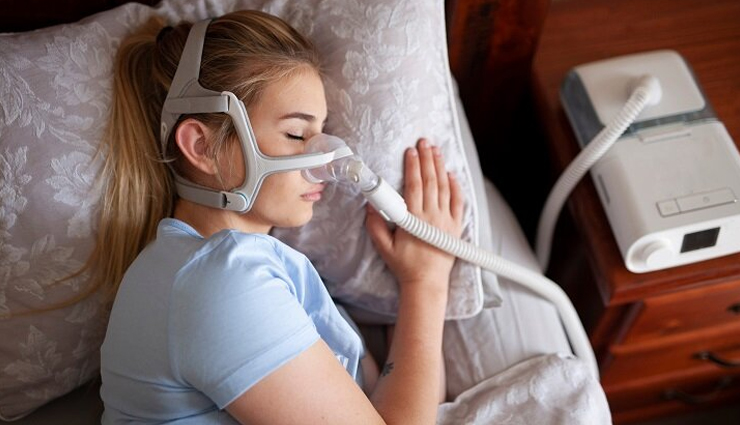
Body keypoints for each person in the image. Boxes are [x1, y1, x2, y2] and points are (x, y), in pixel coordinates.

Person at [97, 9, 462, 424]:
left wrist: (419, 283)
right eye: (296, 134)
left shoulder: (266, 275)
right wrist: (426, 284)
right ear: (202, 146)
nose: (325, 159)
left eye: (322, 133)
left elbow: (395, 407)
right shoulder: (220, 283)